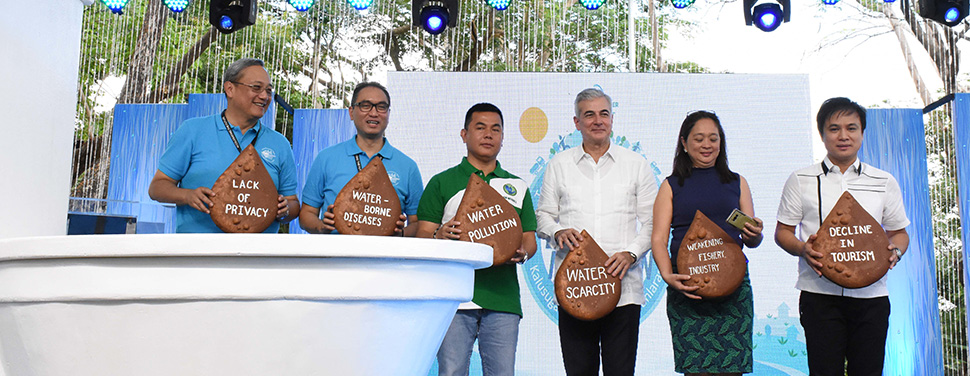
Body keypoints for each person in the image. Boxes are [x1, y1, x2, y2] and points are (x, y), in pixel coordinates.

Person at [774, 97, 909, 376]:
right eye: (834, 128)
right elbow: (783, 233)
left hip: (872, 296)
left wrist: (895, 251)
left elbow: (899, 233)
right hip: (819, 296)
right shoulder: (801, 179)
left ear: (862, 133)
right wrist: (802, 249)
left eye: (852, 128)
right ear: (822, 134)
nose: (843, 136)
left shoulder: (883, 181)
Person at [536, 88, 658, 376]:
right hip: (575, 287)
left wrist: (631, 253)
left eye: (604, 114)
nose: (598, 120)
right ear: (577, 122)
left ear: (612, 119)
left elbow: (653, 222)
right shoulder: (559, 165)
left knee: (621, 371)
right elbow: (543, 217)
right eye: (589, 114)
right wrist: (557, 232)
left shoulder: (636, 164)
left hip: (624, 289)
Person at [415, 103, 537, 376]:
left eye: (496, 129)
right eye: (480, 127)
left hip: (503, 299)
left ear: (503, 137)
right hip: (454, 298)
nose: (488, 135)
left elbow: (530, 239)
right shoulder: (442, 182)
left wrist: (522, 252)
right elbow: (422, 234)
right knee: (451, 371)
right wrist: (440, 235)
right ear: (464, 134)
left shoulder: (517, 186)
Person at [651, 111, 763, 376]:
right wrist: (668, 276)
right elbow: (658, 237)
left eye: (713, 138)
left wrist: (754, 235)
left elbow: (753, 237)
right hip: (689, 291)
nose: (706, 145)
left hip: (734, 292)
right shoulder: (670, 185)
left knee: (733, 370)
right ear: (684, 143)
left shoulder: (737, 182)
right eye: (698, 138)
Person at [149, 58, 299, 233]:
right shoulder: (193, 130)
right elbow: (157, 187)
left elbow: (293, 203)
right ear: (230, 88)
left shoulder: (279, 143)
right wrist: (188, 196)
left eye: (268, 90)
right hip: (199, 252)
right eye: (256, 88)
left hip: (257, 255)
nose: (265, 96)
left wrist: (285, 209)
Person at [299, 82, 423, 236]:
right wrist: (322, 227)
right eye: (365, 105)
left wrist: (400, 234)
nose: (374, 113)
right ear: (351, 112)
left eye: (381, 107)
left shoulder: (408, 167)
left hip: (385, 258)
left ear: (388, 114)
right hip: (335, 257)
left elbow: (419, 223)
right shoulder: (326, 158)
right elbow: (306, 214)